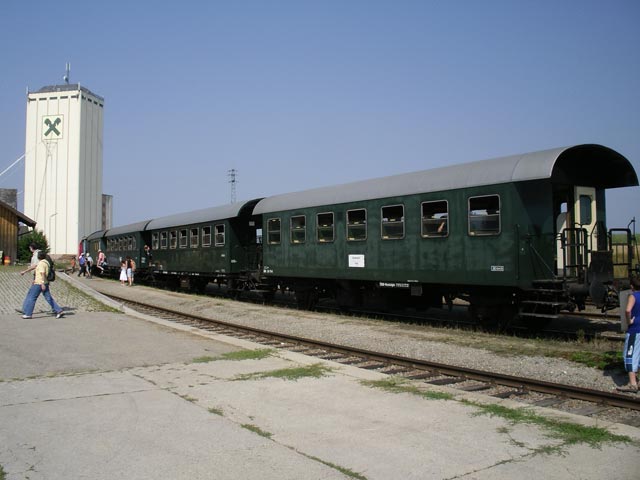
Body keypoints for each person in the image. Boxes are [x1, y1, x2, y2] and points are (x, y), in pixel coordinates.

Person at [21, 250, 64, 319]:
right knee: (48, 298)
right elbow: (35, 267)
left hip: (39, 283)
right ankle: (59, 310)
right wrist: (25, 271)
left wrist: (42, 283)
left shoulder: (41, 264)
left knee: (32, 297)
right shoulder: (46, 262)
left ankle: (28, 313)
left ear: (38, 257)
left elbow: (42, 273)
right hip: (44, 282)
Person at [618, 277, 640, 393]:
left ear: (632, 286)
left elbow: (627, 310)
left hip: (635, 329)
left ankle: (632, 384)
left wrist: (629, 321)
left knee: (630, 354)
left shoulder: (633, 296)